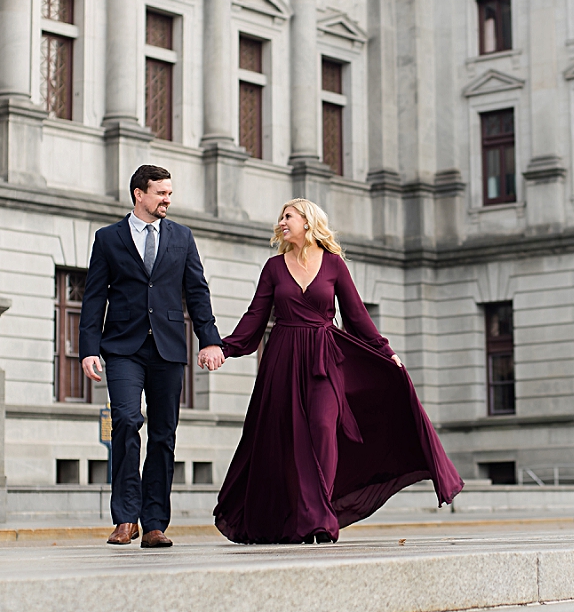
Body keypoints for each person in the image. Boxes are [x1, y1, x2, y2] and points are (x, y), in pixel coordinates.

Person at [211, 197, 463, 544]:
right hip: (282, 359)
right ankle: (302, 519)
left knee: (323, 430)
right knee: (285, 439)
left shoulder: (333, 265)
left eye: (288, 216)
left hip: (324, 360)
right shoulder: (273, 268)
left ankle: (318, 517)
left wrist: (386, 352)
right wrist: (225, 348)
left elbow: (357, 316)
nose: (281, 222)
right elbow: (255, 317)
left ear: (308, 221)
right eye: (281, 216)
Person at [79, 164, 225, 548]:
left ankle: (155, 522)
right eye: (161, 193)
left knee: (163, 434)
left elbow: (197, 291)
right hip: (123, 347)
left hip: (168, 348)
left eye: (169, 193)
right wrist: (88, 349)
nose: (167, 200)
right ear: (138, 195)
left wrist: (209, 339)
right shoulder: (108, 238)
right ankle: (126, 518)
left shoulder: (182, 237)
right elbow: (93, 297)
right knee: (126, 421)